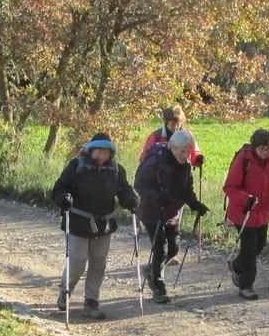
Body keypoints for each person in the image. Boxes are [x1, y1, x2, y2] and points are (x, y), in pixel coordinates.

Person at [51, 132, 138, 319]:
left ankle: (91, 301)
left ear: (110, 153)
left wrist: (130, 200)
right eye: (98, 151)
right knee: (77, 263)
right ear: (90, 150)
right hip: (78, 222)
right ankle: (65, 291)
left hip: (104, 223)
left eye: (105, 152)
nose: (101, 155)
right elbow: (59, 187)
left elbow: (124, 190)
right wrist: (63, 198)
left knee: (98, 264)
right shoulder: (77, 166)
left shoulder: (116, 169)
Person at [134, 129, 210, 303]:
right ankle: (158, 287)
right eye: (182, 151)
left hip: (171, 212)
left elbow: (186, 189)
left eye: (188, 151)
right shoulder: (156, 161)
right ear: (173, 148)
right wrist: (157, 198)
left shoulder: (186, 165)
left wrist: (194, 204)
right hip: (152, 211)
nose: (185, 155)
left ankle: (153, 270)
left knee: (174, 248)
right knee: (160, 247)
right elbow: (139, 184)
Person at [222, 129, 269, 300]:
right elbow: (230, 187)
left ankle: (236, 266)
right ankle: (246, 286)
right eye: (261, 149)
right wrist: (246, 199)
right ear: (254, 147)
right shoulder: (244, 159)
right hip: (243, 212)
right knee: (249, 248)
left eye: (268, 149)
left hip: (263, 212)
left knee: (260, 244)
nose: (265, 152)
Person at [139, 105, 204, 167]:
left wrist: (198, 159)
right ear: (166, 122)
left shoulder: (187, 135)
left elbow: (194, 152)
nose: (175, 127)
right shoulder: (156, 136)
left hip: (182, 171)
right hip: (161, 173)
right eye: (173, 124)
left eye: (178, 124)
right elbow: (144, 158)